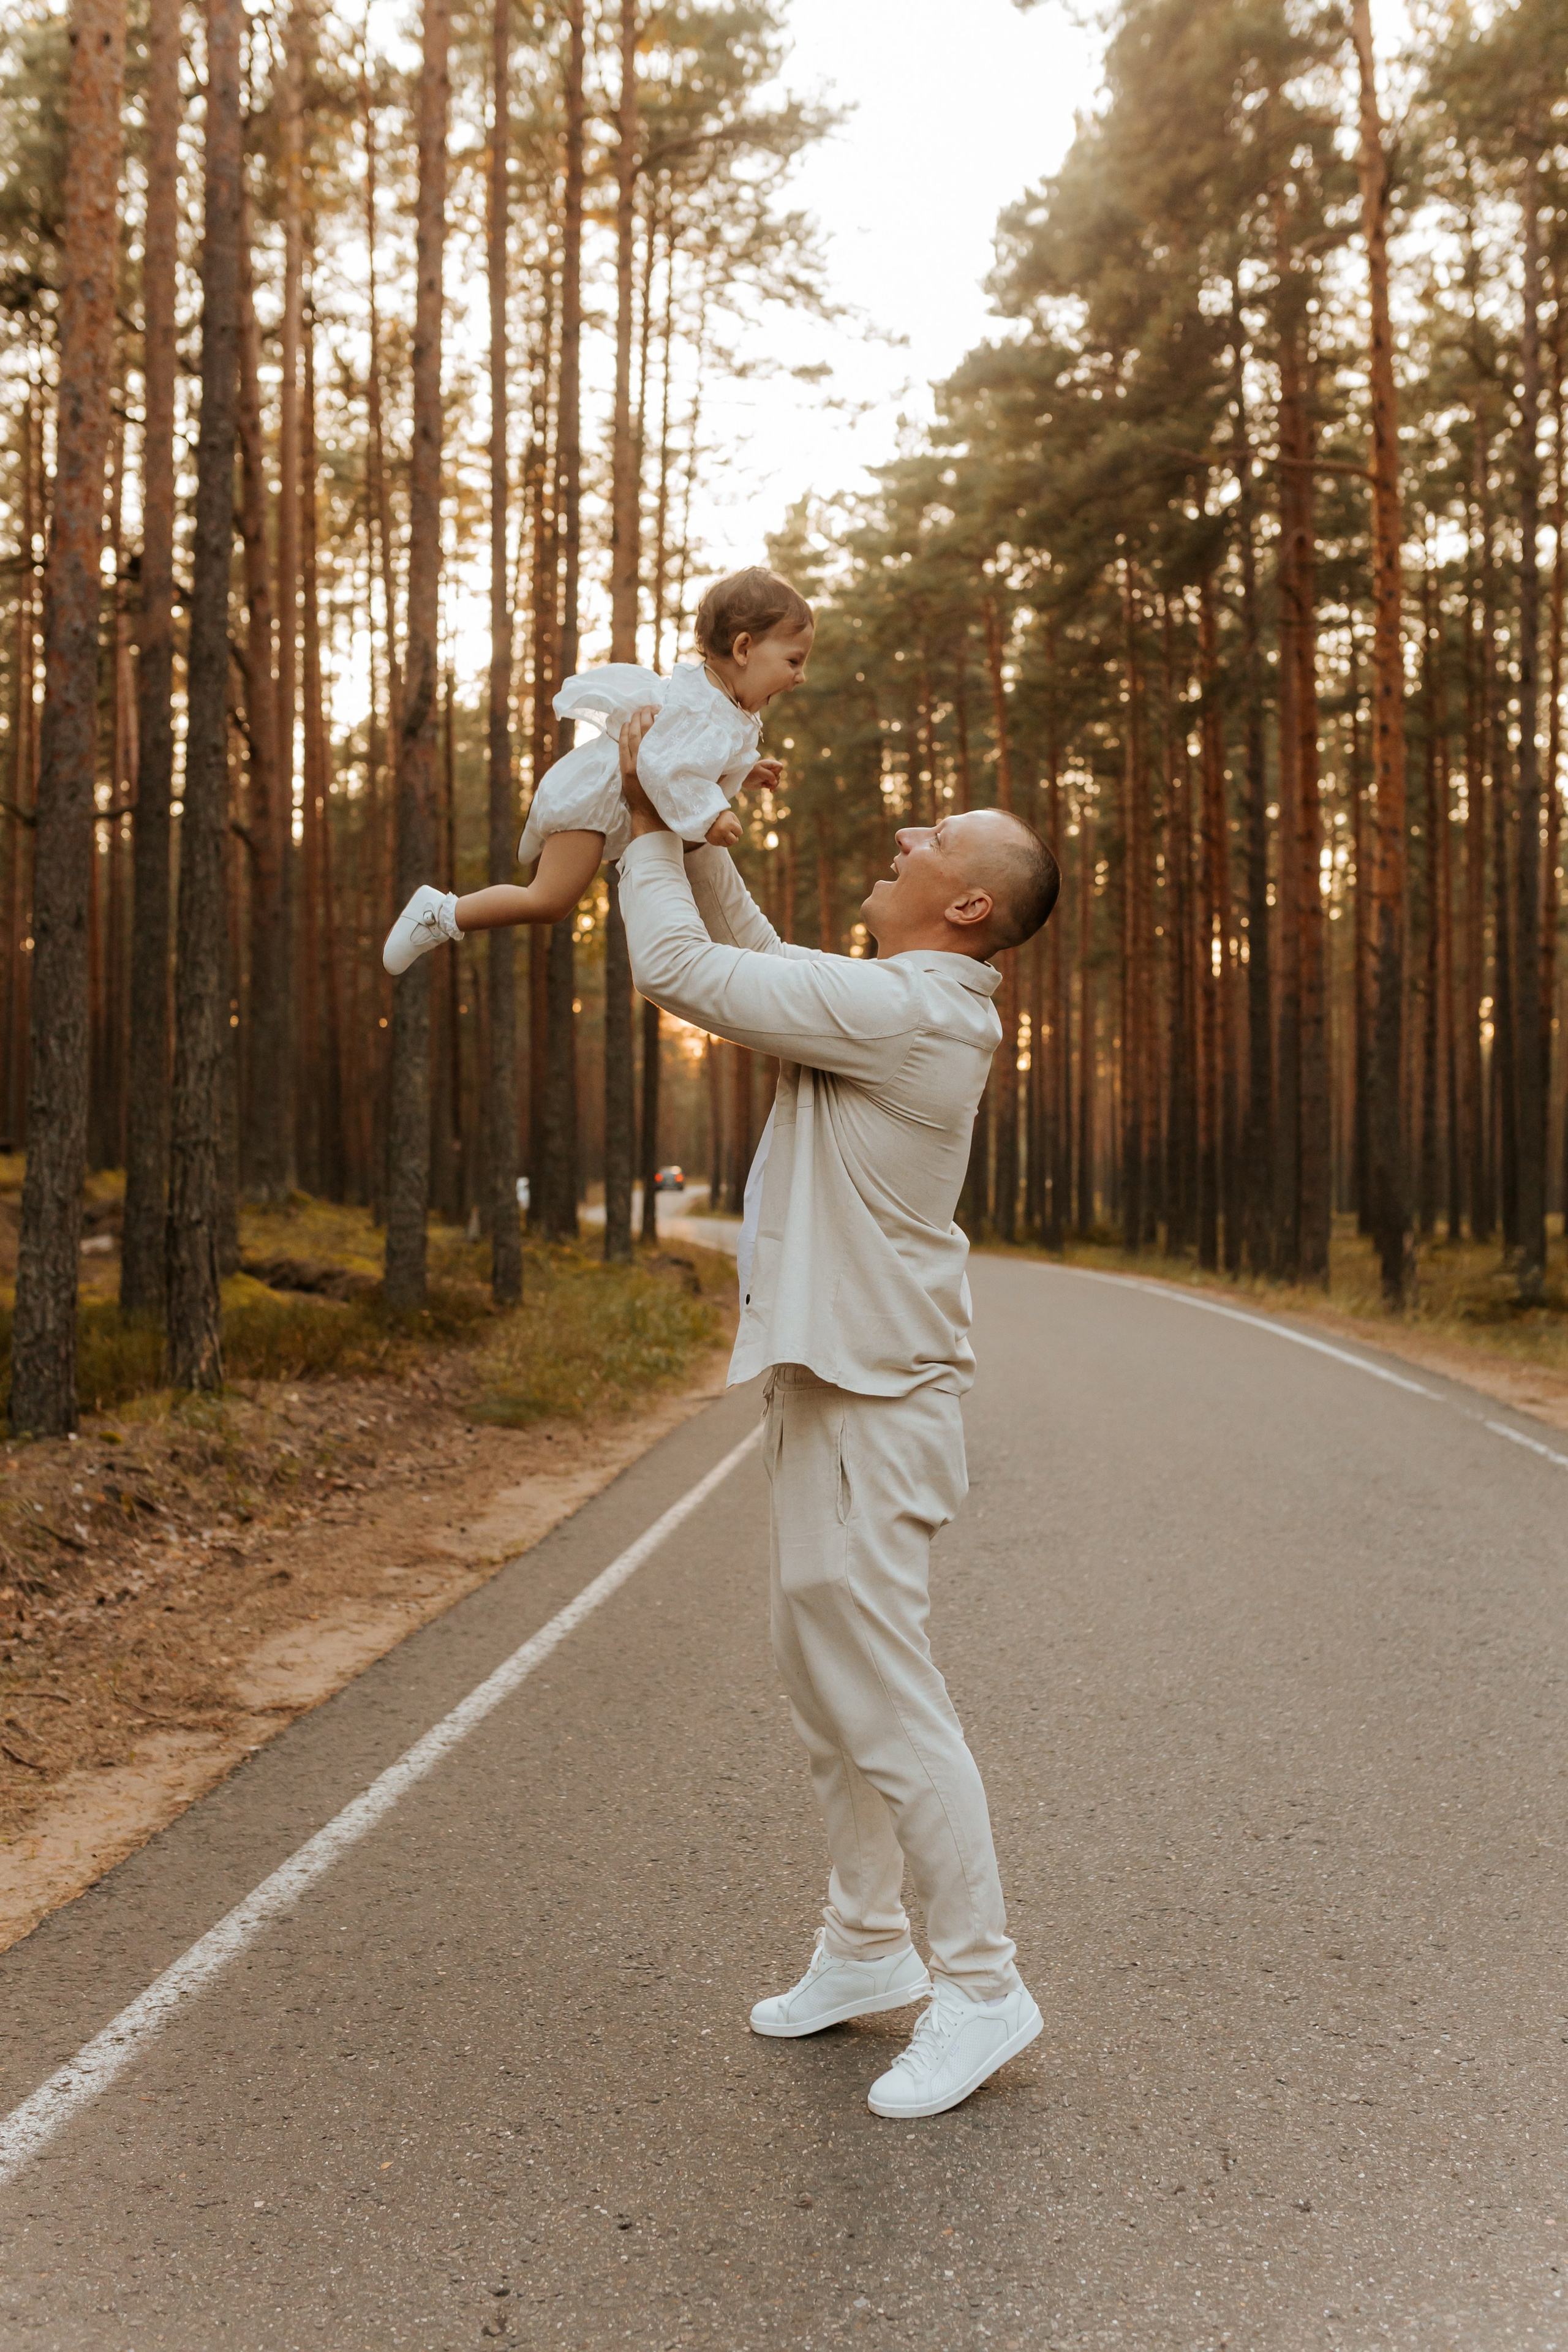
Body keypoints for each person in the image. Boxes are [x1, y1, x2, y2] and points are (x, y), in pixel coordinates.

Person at [615, 709, 1060, 2121]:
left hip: (882, 1397)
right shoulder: (890, 1001)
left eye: (933, 838)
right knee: (826, 1692)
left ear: (969, 904)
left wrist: (636, 819)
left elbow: (684, 968)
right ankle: (865, 1949)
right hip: (832, 1381)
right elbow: (769, 968)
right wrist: (698, 830)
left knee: (882, 1693)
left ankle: (979, 1985)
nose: (903, 839)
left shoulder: (914, 1014)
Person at [380, 565, 812, 976]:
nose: (800, 678)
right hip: (597, 799)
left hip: (610, 800)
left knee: (552, 903)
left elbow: (694, 760)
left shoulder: (718, 703)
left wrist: (746, 771)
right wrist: (713, 815)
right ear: (743, 649)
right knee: (548, 900)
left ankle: (440, 914)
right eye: (794, 661)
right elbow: (667, 769)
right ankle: (439, 913)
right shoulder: (699, 708)